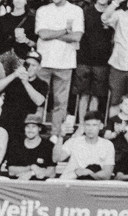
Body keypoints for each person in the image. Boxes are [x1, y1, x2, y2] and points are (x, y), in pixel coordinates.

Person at [35, 0, 85, 134]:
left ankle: (55, 134)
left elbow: (77, 36)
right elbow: (43, 34)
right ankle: (34, 130)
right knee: (37, 99)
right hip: (43, 62)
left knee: (61, 103)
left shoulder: (76, 10)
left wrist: (53, 35)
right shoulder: (43, 10)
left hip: (65, 62)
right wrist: (64, 31)